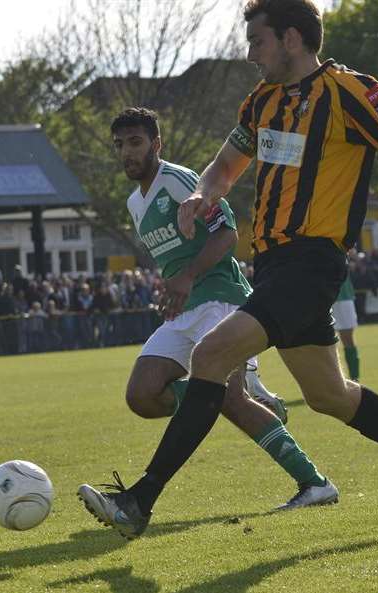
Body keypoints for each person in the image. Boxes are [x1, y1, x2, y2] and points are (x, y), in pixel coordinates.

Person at [78, 0, 378, 540]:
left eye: (257, 42)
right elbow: (225, 166)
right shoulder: (261, 101)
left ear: (291, 39)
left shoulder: (348, 90)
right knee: (329, 395)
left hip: (313, 262)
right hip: (273, 266)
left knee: (211, 355)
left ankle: (140, 500)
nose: (249, 54)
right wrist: (201, 194)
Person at [78, 108, 338, 520]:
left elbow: (228, 234)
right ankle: (232, 396)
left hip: (222, 298)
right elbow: (174, 257)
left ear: (156, 144)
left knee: (230, 399)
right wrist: (175, 287)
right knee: (142, 395)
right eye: (120, 145)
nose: (127, 152)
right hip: (184, 310)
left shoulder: (180, 180)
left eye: (135, 142)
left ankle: (315, 483)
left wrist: (187, 275)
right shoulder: (134, 202)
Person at [332, 270, 359, 381]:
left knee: (347, 339)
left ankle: (354, 378)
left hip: (343, 297)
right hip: (322, 297)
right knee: (323, 343)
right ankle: (333, 380)